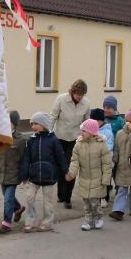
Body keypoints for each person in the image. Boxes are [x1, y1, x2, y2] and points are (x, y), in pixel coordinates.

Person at [19, 112, 68, 232]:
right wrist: (24, 174)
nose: (32, 126)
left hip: (49, 177)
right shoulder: (31, 140)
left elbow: (60, 157)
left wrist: (65, 171)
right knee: (29, 197)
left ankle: (47, 223)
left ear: (44, 125)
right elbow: (26, 158)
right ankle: (31, 222)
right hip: (34, 176)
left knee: (48, 202)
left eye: (35, 124)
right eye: (32, 124)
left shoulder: (53, 140)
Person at [50, 80, 90, 210]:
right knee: (62, 167)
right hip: (60, 138)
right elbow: (53, 117)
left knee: (71, 168)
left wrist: (87, 137)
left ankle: (67, 197)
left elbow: (87, 122)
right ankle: (61, 194)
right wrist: (49, 134)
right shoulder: (61, 99)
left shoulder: (86, 103)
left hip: (76, 139)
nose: (79, 96)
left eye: (82, 94)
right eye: (77, 94)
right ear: (72, 92)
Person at [66, 119, 112, 230]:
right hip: (84, 179)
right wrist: (71, 173)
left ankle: (98, 218)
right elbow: (74, 161)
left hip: (98, 179)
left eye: (84, 131)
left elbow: (107, 164)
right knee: (86, 203)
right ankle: (88, 221)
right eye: (81, 131)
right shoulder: (78, 145)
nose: (82, 133)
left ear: (92, 132)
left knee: (94, 202)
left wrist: (106, 179)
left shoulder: (101, 145)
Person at [0, 111, 27, 233]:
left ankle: (6, 223)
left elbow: (24, 159)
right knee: (8, 197)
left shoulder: (20, 140)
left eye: (8, 122)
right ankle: (18, 208)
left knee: (8, 198)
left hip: (14, 175)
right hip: (1, 174)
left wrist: (24, 175)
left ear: (14, 124)